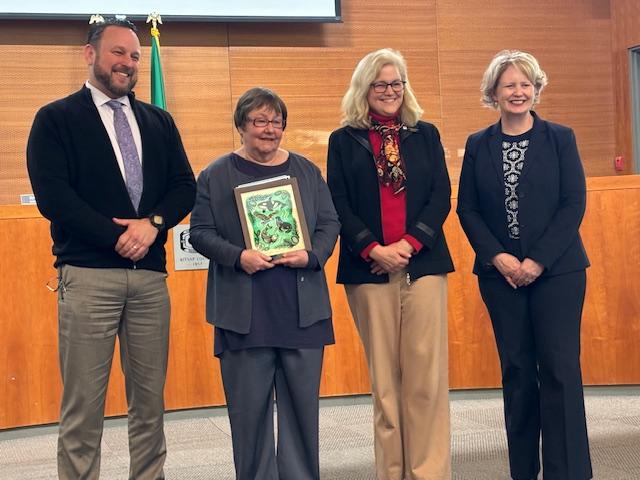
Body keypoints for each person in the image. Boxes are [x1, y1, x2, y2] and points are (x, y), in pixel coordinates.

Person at [26, 17, 196, 479]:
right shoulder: (55, 119)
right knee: (83, 407)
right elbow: (53, 197)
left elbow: (185, 186)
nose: (128, 62)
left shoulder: (159, 121)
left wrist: (152, 226)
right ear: (90, 54)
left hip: (150, 281)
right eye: (118, 52)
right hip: (87, 278)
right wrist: (118, 236)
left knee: (150, 406)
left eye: (135, 56)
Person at [189, 87, 340, 480]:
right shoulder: (215, 175)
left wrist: (312, 255)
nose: (269, 129)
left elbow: (329, 223)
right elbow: (200, 233)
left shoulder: (306, 171)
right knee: (248, 418)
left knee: (302, 414)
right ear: (241, 126)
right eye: (260, 121)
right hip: (244, 318)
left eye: (276, 121)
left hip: (302, 313)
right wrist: (238, 257)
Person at [456, 50, 592, 480]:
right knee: (516, 372)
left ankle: (567, 472)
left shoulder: (560, 138)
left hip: (558, 273)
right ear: (493, 93)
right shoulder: (478, 144)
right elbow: (467, 209)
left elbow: (573, 203)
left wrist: (537, 260)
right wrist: (498, 257)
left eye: (525, 84)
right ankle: (523, 472)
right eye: (509, 85)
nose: (518, 92)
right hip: (500, 278)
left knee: (559, 369)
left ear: (536, 89)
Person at [327, 48, 454, 480]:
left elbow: (440, 196)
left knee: (425, 380)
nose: (389, 91)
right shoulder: (343, 140)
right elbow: (338, 202)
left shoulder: (426, 134)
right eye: (380, 84)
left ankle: (429, 472)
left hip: (423, 265)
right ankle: (392, 472)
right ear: (364, 89)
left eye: (396, 83)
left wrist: (409, 245)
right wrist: (373, 249)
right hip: (368, 271)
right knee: (385, 384)